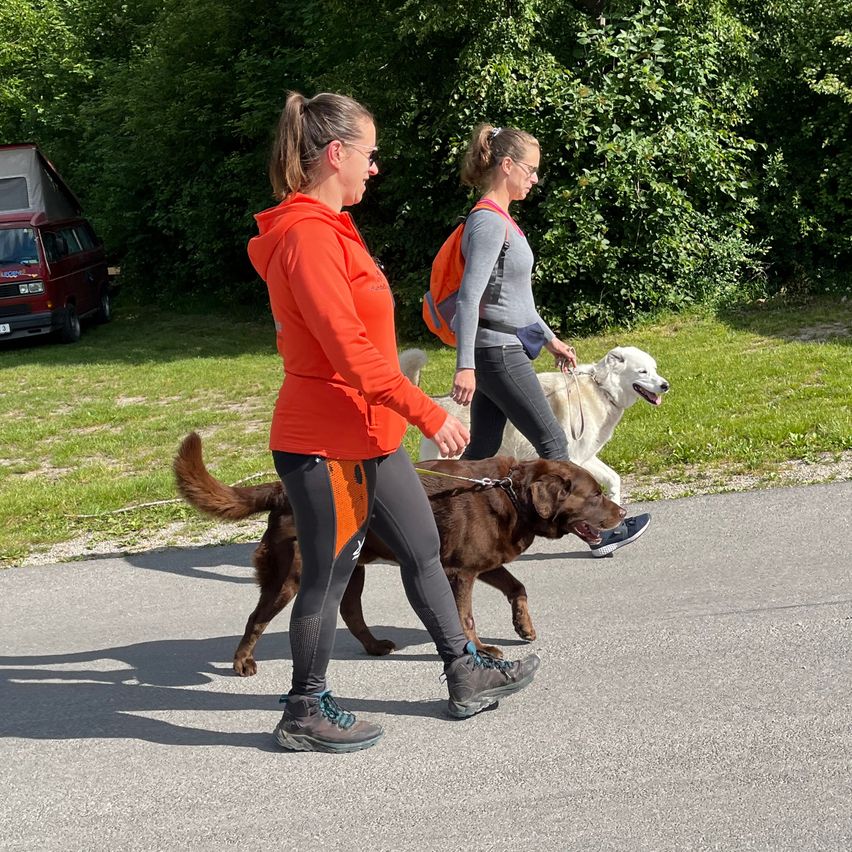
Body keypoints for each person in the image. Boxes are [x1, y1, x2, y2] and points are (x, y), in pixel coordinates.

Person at [247, 93, 540, 753]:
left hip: (371, 437)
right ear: (336, 154)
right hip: (326, 444)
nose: (374, 168)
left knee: (424, 548)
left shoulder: (332, 227)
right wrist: (428, 410)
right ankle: (304, 709)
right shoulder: (305, 236)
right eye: (369, 155)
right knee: (329, 574)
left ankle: (464, 670)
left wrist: (398, 415)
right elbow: (348, 351)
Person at [452, 124, 651, 558]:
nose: (535, 178)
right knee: (556, 447)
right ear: (507, 166)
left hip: (501, 347)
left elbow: (516, 300)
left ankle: (441, 524)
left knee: (481, 452)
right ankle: (598, 533)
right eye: (530, 169)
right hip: (497, 352)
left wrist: (551, 340)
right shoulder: (488, 222)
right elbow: (469, 299)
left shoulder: (503, 220)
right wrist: (465, 365)